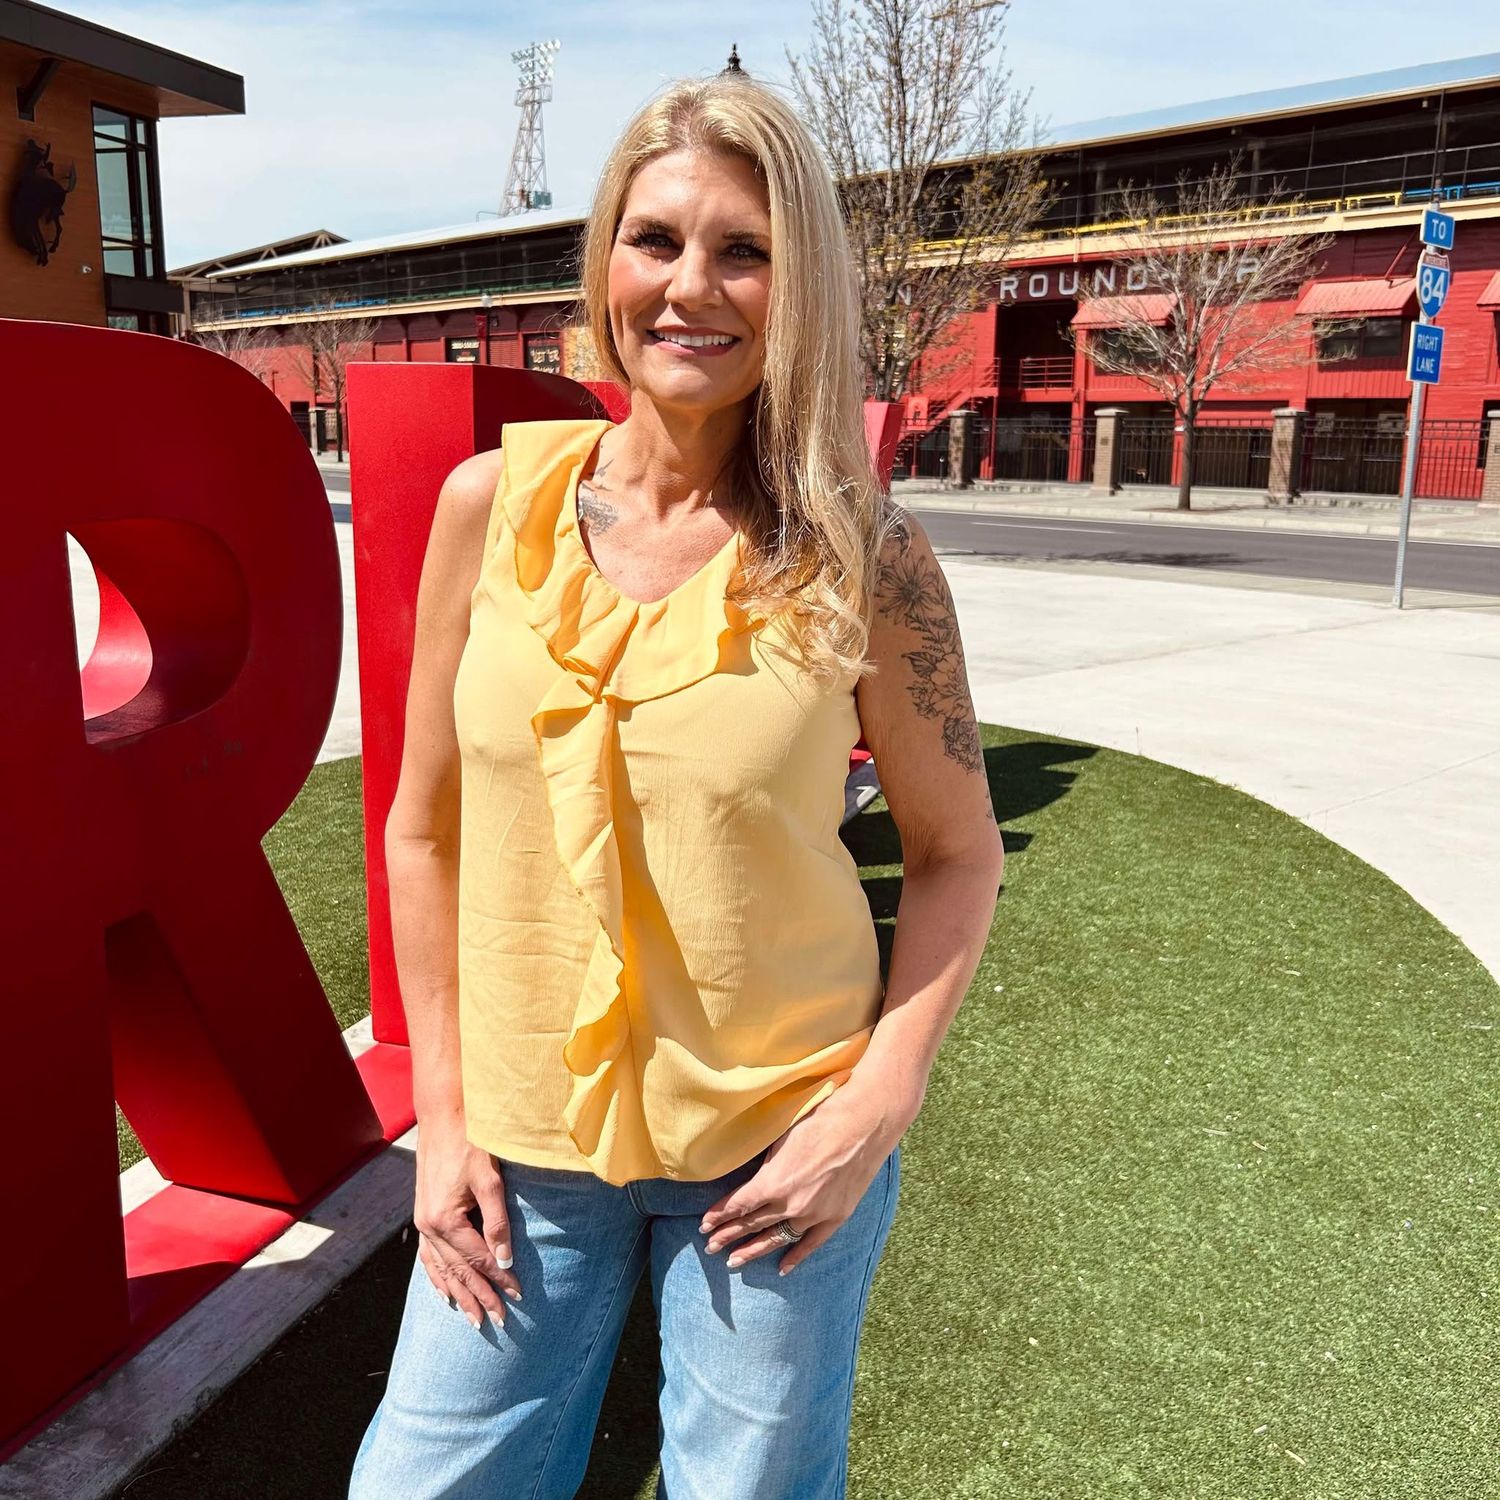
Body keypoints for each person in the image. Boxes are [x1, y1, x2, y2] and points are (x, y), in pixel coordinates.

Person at [349, 70, 1003, 1500]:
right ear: (605, 262)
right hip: (521, 1145)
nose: (690, 287)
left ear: (798, 285)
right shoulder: (488, 510)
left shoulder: (864, 554)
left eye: (743, 250)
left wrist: (872, 1111)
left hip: (776, 1156)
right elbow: (424, 827)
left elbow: (958, 854)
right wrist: (440, 1120)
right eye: (656, 240)